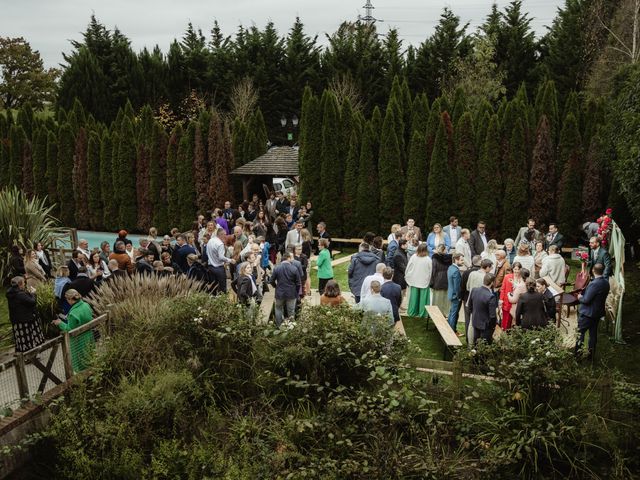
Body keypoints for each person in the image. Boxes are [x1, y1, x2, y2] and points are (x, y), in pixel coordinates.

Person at [52, 289, 95, 372]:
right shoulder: (86, 305)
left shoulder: (73, 313)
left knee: (80, 361)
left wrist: (60, 323)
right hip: (89, 336)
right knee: (90, 357)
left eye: (67, 299)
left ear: (70, 299)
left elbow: (69, 329)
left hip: (78, 341)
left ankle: (81, 377)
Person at [575, 263, 610, 359]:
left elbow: (586, 300)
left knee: (580, 334)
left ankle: (578, 356)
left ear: (593, 271)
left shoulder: (594, 284)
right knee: (593, 335)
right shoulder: (606, 282)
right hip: (598, 313)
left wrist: (579, 297)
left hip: (588, 313)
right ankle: (591, 355)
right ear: (602, 271)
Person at [6, 276, 45, 352]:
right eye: (24, 283)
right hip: (26, 320)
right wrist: (33, 293)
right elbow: (32, 302)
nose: (25, 284)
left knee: (21, 339)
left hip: (17, 320)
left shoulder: (11, 293)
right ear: (20, 284)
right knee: (28, 338)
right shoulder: (20, 294)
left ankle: (24, 354)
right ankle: (30, 356)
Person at [270, 252, 301, 327]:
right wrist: (296, 291)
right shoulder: (294, 268)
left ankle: (279, 325)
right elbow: (298, 283)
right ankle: (291, 326)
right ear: (288, 258)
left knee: (278, 309)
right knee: (291, 311)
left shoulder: (277, 268)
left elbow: (271, 281)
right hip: (291, 293)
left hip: (280, 292)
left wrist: (276, 286)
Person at [468, 273, 498, 345]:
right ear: (492, 283)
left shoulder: (474, 290)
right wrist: (493, 326)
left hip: (475, 322)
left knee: (476, 344)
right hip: (486, 326)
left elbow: (469, 306)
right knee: (485, 346)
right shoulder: (490, 296)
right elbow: (492, 316)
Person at [405, 243, 432, 318]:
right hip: (424, 281)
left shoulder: (413, 257)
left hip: (414, 279)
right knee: (423, 299)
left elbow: (408, 267)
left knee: (413, 298)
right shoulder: (428, 259)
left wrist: (407, 275)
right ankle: (422, 313)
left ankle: (412, 312)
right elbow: (430, 271)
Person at [207, 228, 235, 294]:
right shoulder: (220, 244)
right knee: (222, 287)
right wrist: (230, 260)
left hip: (210, 266)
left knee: (213, 286)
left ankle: (212, 300)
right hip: (219, 268)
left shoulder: (210, 240)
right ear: (221, 234)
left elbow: (207, 252)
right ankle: (222, 301)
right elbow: (221, 257)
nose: (226, 236)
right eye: (225, 234)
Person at [461, 256, 481, 345]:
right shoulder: (480, 273)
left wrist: (461, 297)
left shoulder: (466, 272)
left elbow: (462, 286)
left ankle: (468, 339)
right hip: (477, 299)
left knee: (468, 320)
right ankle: (476, 339)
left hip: (467, 298)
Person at [430, 244, 452, 317]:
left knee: (437, 298)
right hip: (447, 279)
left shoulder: (435, 258)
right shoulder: (450, 258)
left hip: (438, 280)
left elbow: (433, 270)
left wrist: (431, 282)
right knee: (446, 299)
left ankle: (436, 314)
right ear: (445, 250)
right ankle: (446, 313)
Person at [499, 261, 522, 331]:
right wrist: (501, 300)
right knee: (506, 322)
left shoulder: (521, 278)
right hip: (507, 302)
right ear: (513, 269)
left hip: (517, 303)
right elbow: (503, 289)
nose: (516, 271)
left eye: (518, 269)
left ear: (520, 269)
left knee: (516, 322)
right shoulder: (507, 277)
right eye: (515, 269)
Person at [447, 253, 465, 334]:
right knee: (454, 313)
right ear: (456, 260)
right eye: (461, 260)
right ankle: (452, 331)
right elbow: (457, 287)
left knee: (452, 312)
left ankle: (450, 328)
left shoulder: (450, 268)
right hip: (455, 296)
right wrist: (458, 297)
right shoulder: (456, 271)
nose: (463, 262)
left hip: (451, 294)